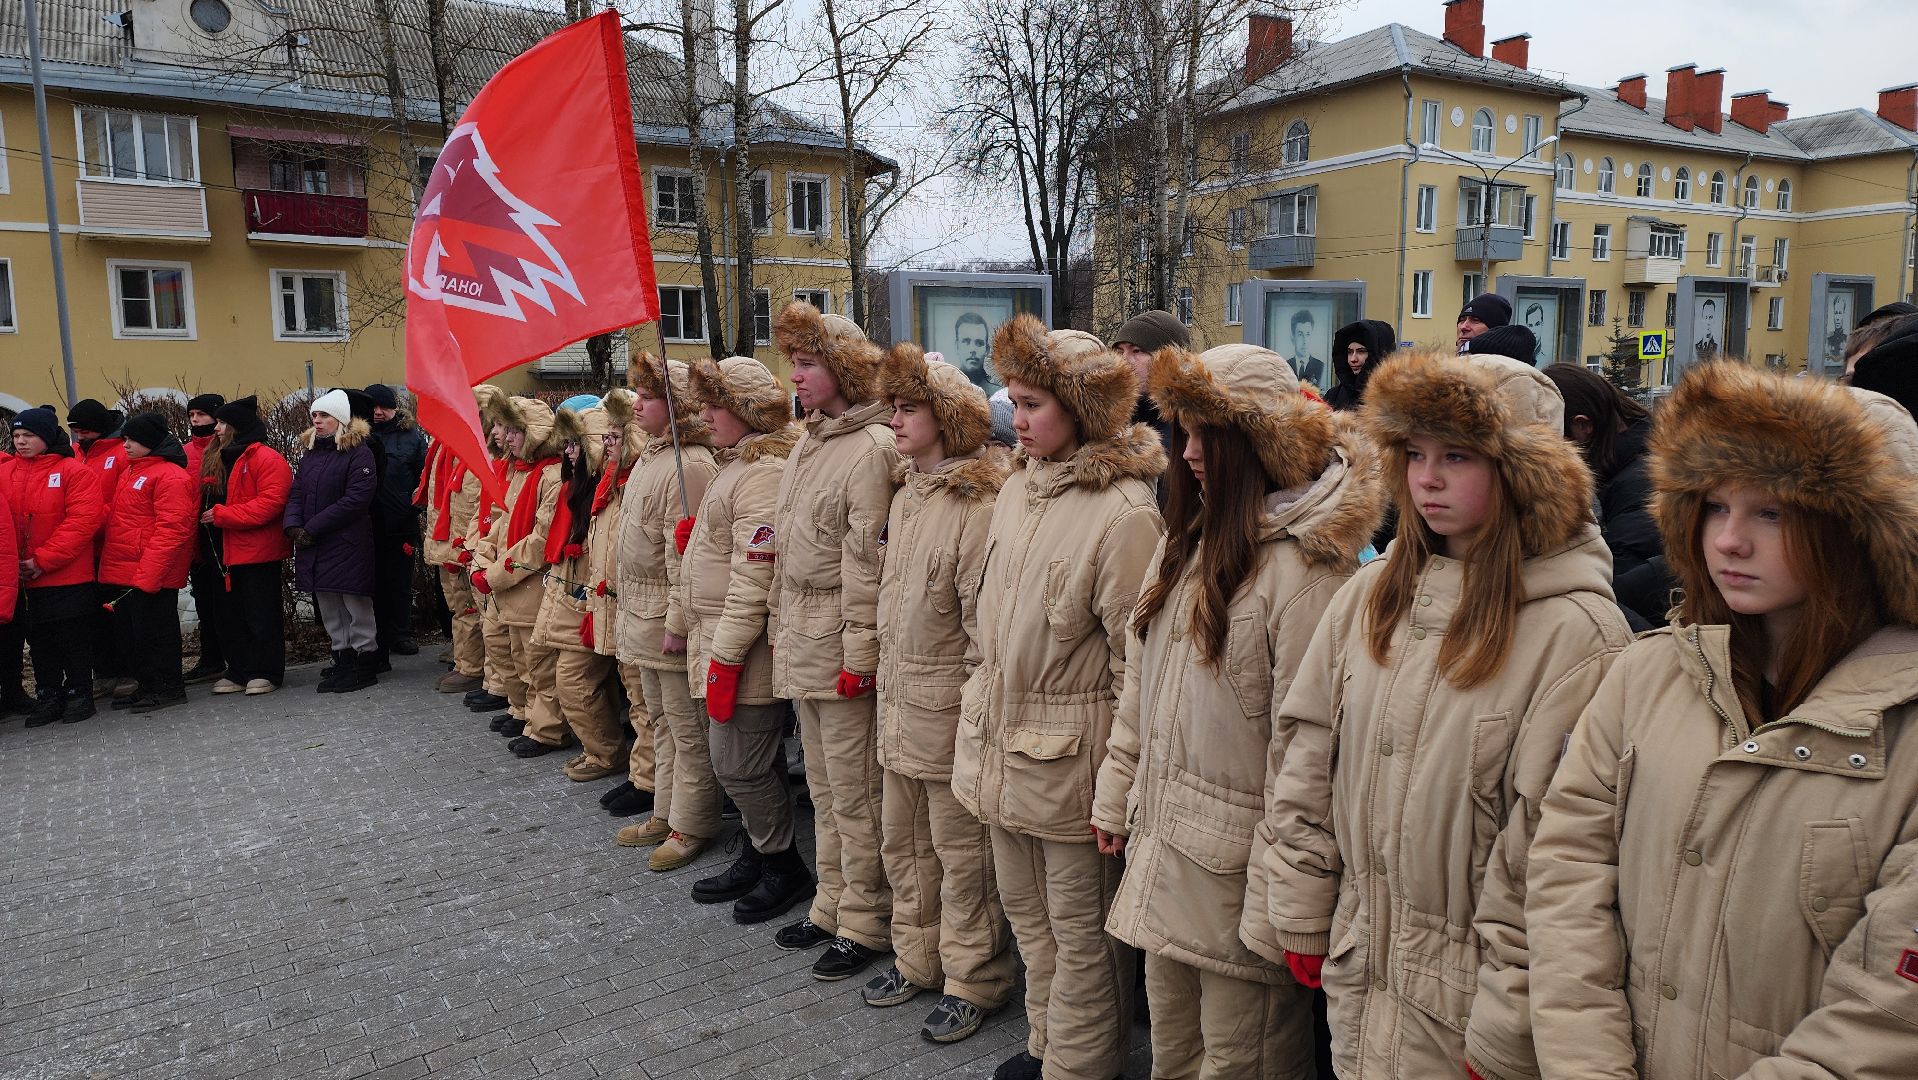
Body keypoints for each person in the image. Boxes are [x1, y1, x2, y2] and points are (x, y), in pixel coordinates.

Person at [1528, 362, 1918, 1080]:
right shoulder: (1648, 674)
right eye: (1714, 506)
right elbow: (1568, 873)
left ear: (1859, 532)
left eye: (1772, 513)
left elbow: (1888, 1016)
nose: (1730, 541)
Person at [1260, 348, 1632, 1080]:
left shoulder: (1576, 633)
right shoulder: (1373, 594)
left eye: (1457, 456)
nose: (1427, 479)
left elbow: (1555, 853)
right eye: (1414, 453)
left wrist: (1509, 1017)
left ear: (1524, 471)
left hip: (1468, 999)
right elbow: (1307, 750)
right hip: (1362, 962)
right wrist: (1303, 894)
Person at [1092, 344, 1384, 1080]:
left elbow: (1312, 760)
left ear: (1254, 440)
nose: (1186, 453)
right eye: (1181, 431)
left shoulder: (1308, 571)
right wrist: (1118, 795)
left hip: (1240, 881)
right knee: (1175, 1053)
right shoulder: (1188, 544)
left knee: (1240, 1060)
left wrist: (1292, 903)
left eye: (1204, 436)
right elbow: (1142, 686)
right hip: (1169, 851)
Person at [950, 314, 1166, 1080]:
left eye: (1034, 403)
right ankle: (1048, 1043)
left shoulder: (1124, 512)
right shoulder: (1017, 488)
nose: (1017, 417)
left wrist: (1116, 787)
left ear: (1084, 411)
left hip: (1071, 760)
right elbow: (988, 626)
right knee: (1030, 920)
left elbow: (1133, 667)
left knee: (1080, 933)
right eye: (1012, 399)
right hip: (1004, 749)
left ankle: (1081, 1064)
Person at [862, 344, 1015, 1043]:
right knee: (904, 849)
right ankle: (916, 958)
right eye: (891, 408)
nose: (895, 421)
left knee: (962, 862)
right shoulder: (908, 492)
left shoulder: (975, 504)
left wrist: (975, 724)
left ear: (946, 419)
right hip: (898, 708)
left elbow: (984, 633)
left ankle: (974, 978)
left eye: (908, 409)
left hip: (949, 713)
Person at [765, 300, 901, 982]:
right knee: (822, 788)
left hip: (839, 641)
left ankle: (868, 920)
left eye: (809, 362)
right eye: (794, 362)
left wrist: (860, 656)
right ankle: (831, 903)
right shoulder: (811, 441)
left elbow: (866, 565)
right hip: (801, 638)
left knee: (856, 793)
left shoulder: (872, 448)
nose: (797, 375)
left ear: (843, 369)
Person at [678, 355, 813, 925]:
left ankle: (783, 866)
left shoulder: (762, 473)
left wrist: (726, 658)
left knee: (741, 764)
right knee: (739, 761)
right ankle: (761, 852)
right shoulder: (737, 465)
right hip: (715, 637)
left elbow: (754, 576)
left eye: (717, 406)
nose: (705, 416)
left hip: (744, 649)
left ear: (748, 412)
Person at [612, 355, 722, 867]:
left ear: (675, 405)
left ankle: (691, 822)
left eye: (649, 397)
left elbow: (687, 554)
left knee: (685, 726)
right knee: (658, 719)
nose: (637, 405)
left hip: (664, 616)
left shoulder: (689, 464)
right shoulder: (653, 457)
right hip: (640, 610)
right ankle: (665, 808)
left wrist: (678, 621)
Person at [531, 403, 628, 782]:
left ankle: (608, 753)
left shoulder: (605, 489)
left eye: (575, 445)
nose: (567, 452)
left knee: (575, 681)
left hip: (591, 601)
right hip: (574, 597)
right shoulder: (577, 488)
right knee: (573, 678)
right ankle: (605, 750)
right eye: (565, 444)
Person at [471, 392, 570, 756]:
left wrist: (496, 573)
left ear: (534, 432)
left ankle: (547, 729)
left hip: (531, 582)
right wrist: (483, 557)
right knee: (515, 654)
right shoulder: (522, 472)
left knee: (538, 662)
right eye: (503, 429)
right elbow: (502, 522)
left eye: (513, 431)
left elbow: (540, 539)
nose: (506, 437)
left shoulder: (553, 476)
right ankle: (526, 712)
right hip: (513, 582)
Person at [5, 407, 105, 725]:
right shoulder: (6, 473)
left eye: (28, 436)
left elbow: (82, 522)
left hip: (66, 575)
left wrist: (42, 560)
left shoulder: (74, 472)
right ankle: (49, 694)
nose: (21, 442)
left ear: (47, 437)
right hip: (23, 577)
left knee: (72, 637)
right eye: (16, 436)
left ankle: (79, 692)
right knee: (40, 641)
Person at [97, 411, 196, 713]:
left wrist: (149, 575)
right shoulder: (133, 471)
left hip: (151, 572)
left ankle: (169, 687)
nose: (124, 445)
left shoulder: (170, 476)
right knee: (136, 634)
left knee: (158, 633)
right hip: (127, 569)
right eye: (124, 438)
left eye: (131, 440)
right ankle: (149, 684)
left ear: (150, 442)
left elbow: (172, 529)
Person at [285, 389, 380, 694]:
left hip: (346, 542)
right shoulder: (312, 454)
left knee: (354, 603)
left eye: (324, 415)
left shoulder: (359, 452)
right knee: (329, 605)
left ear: (339, 419)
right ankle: (342, 657)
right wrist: (293, 526)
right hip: (316, 542)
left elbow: (356, 500)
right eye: (314, 415)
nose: (317, 420)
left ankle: (365, 662)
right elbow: (297, 493)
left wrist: (312, 527)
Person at [204, 397, 292, 695]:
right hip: (225, 550)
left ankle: (266, 670)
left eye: (221, 423)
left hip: (257, 551)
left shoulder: (266, 458)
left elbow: (269, 505)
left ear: (236, 427)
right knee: (231, 615)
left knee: (260, 614)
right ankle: (239, 669)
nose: (216, 428)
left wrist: (222, 515)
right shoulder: (218, 457)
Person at [1543, 363, 1660, 581]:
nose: (1543, 449)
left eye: (1549, 433)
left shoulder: (1639, 486)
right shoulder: (1623, 466)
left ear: (1582, 426)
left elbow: (1617, 582)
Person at [67, 398, 127, 698]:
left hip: (111, 544)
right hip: (84, 548)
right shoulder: (76, 453)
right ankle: (104, 672)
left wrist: (89, 520)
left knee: (118, 614)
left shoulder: (120, 453)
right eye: (75, 431)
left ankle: (126, 670)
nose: (80, 437)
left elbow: (123, 501)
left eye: (85, 431)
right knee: (95, 617)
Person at [416, 433, 485, 694]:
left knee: (470, 608)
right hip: (447, 542)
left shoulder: (478, 453)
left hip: (464, 545)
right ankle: (465, 661)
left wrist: (468, 545)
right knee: (458, 607)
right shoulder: (444, 449)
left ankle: (473, 667)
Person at [364, 384, 428, 661]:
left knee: (400, 580)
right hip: (366, 522)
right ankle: (376, 635)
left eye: (384, 407)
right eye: (373, 407)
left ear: (394, 408)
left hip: (401, 520)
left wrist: (414, 507)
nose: (378, 412)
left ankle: (401, 633)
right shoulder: (358, 436)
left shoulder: (411, 437)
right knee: (371, 580)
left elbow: (424, 477)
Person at [183, 392, 227, 683]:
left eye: (201, 415)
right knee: (203, 602)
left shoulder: (225, 448)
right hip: (194, 534)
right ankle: (210, 658)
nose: (196, 420)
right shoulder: (183, 452)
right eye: (191, 415)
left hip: (220, 533)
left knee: (223, 600)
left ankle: (229, 655)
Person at [1109, 309, 1188, 456]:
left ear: (1167, 360)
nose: (1124, 360)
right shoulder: (1108, 422)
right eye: (1120, 351)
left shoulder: (1190, 429)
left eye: (1137, 351)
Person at [1324, 319, 1395, 412]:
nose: (1352, 359)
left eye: (1361, 351)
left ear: (1379, 353)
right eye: (1349, 352)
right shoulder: (1334, 396)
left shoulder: (1394, 399)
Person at [953, 312, 996, 390]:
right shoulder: (946, 390)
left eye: (979, 343)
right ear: (957, 346)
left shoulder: (998, 393)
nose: (972, 349)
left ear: (987, 350)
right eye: (966, 342)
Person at [1287, 309, 1326, 389]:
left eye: (1308, 334)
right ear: (1293, 338)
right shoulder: (1285, 366)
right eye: (1300, 334)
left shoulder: (1321, 367)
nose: (1305, 341)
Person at [1694, 297, 1721, 361]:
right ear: (1702, 319)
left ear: (1714, 320)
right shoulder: (1696, 347)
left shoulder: (1717, 347)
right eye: (1705, 317)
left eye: (1710, 317)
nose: (1708, 322)